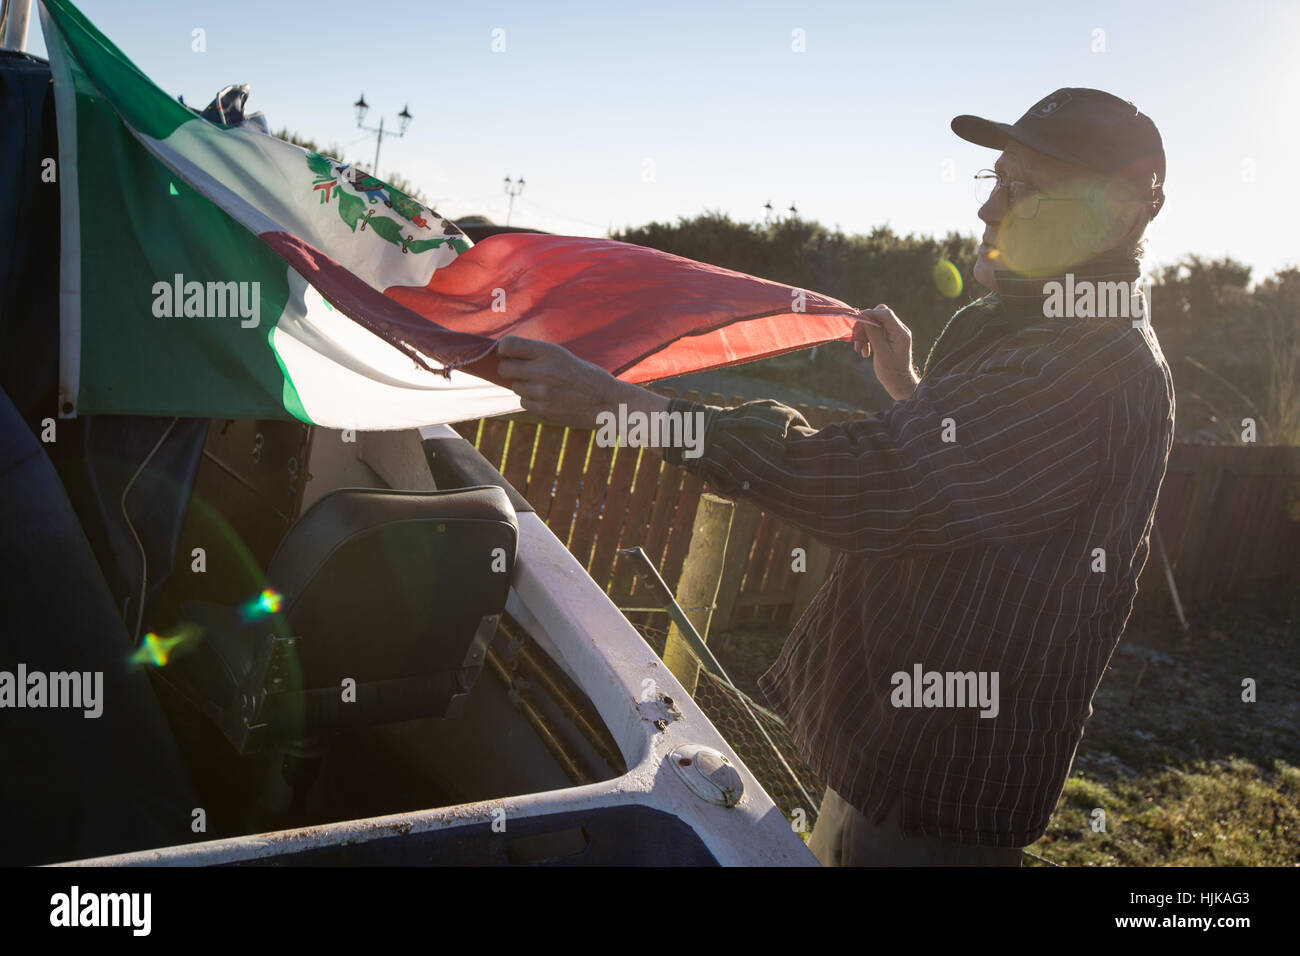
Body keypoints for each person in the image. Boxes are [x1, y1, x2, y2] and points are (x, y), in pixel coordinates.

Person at [496, 88, 1174, 866]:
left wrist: (625, 406)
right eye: (994, 180)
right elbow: (982, 485)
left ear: (1121, 216)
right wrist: (912, 391)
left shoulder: (1093, 366)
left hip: (932, 786)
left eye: (1026, 190)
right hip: (893, 754)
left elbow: (881, 487)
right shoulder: (1037, 329)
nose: (990, 211)